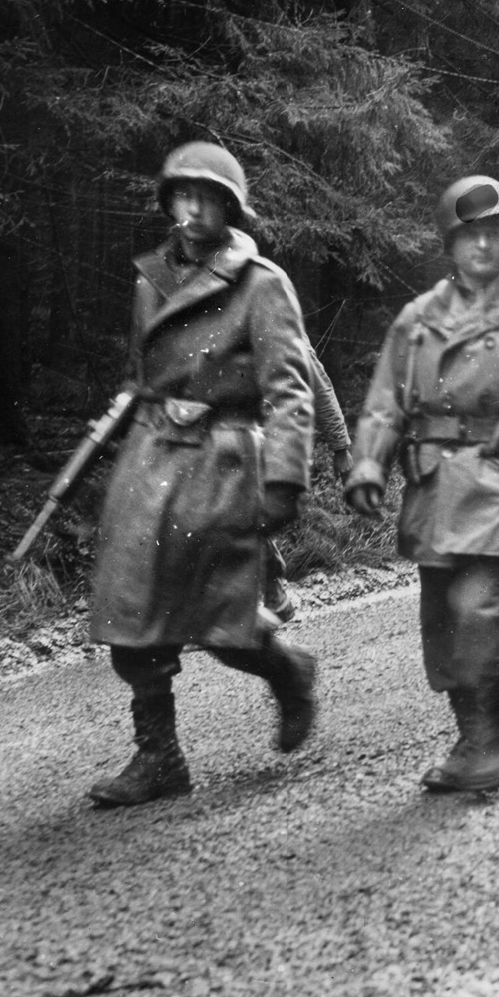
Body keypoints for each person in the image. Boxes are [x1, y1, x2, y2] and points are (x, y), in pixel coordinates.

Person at [344, 176, 499, 793]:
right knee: (441, 621)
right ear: (450, 244)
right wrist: (369, 464)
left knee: (480, 607)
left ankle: (490, 736)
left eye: (495, 233)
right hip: (433, 486)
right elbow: (384, 402)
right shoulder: (417, 319)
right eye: (471, 235)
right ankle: (469, 733)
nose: (484, 245)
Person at [86, 142, 319, 808]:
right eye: (182, 196)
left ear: (229, 207)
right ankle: (159, 757)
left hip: (222, 457)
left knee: (222, 618)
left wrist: (283, 480)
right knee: (128, 610)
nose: (193, 210)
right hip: (153, 456)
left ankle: (288, 669)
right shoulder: (149, 278)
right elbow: (141, 377)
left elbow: (290, 390)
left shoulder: (262, 282)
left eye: (208, 197)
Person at [260, 345, 353, 625]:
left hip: (276, 439)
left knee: (243, 511)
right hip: (234, 436)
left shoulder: (278, 324)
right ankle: (273, 595)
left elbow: (320, 386)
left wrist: (341, 447)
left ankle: (272, 592)